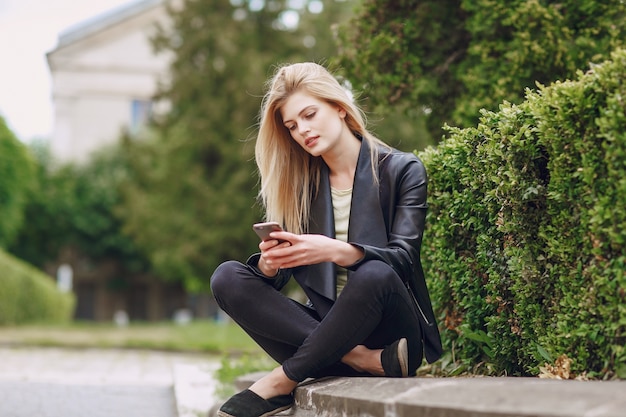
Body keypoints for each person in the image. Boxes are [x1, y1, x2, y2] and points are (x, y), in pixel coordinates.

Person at [210, 62, 442, 417]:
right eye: (292, 125)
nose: (302, 130)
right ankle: (360, 360)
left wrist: (337, 251)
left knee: (374, 273)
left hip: (393, 339)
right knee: (227, 276)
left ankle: (280, 382)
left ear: (339, 106)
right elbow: (277, 283)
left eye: (309, 114)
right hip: (334, 341)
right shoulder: (301, 189)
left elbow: (403, 258)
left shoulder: (402, 170)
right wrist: (271, 267)